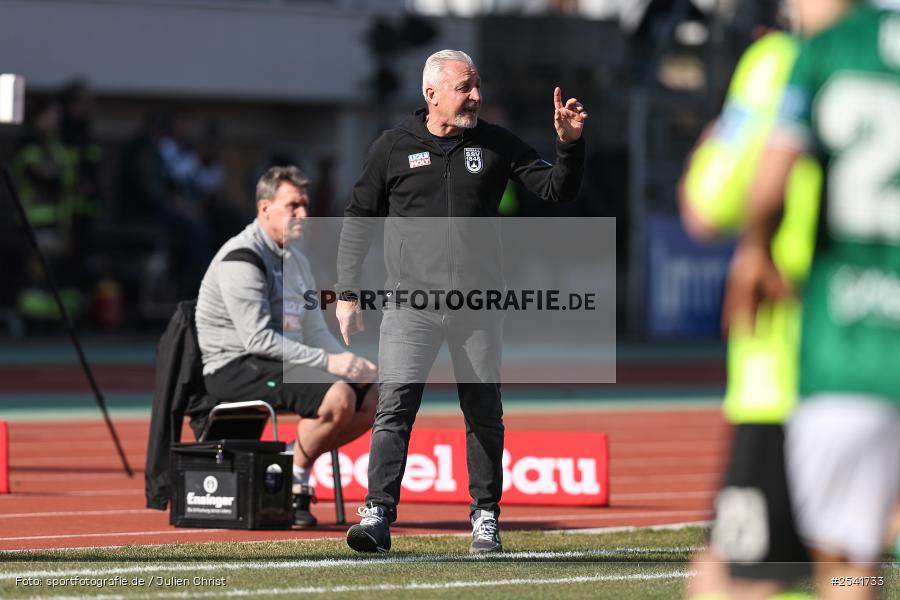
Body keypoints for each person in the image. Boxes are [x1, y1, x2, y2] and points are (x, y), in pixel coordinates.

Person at [335, 49, 587, 554]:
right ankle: (377, 515)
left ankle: (485, 519)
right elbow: (358, 218)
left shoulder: (496, 143)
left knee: (483, 412)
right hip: (410, 305)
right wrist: (346, 292)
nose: (476, 96)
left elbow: (556, 190)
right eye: (464, 87)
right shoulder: (392, 147)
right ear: (431, 94)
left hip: (477, 307)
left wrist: (569, 145)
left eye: (477, 86)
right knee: (394, 408)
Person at [723, 1, 900, 598]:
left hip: (846, 343)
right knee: (860, 553)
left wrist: (755, 249)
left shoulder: (822, 52)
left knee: (837, 557)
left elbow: (766, 186)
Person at [679, 20, 821, 600]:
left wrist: (714, 143)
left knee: (737, 580)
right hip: (876, 363)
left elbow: (708, 206)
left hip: (786, 371)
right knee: (850, 564)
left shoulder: (782, 62)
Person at [195, 166, 377, 527]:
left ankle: (288, 463)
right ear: (265, 208)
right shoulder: (242, 258)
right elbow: (257, 340)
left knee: (373, 396)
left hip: (281, 362)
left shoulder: (297, 261)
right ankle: (294, 482)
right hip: (236, 365)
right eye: (293, 206)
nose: (303, 215)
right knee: (338, 397)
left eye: (305, 205)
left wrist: (347, 361)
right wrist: (329, 364)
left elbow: (314, 331)